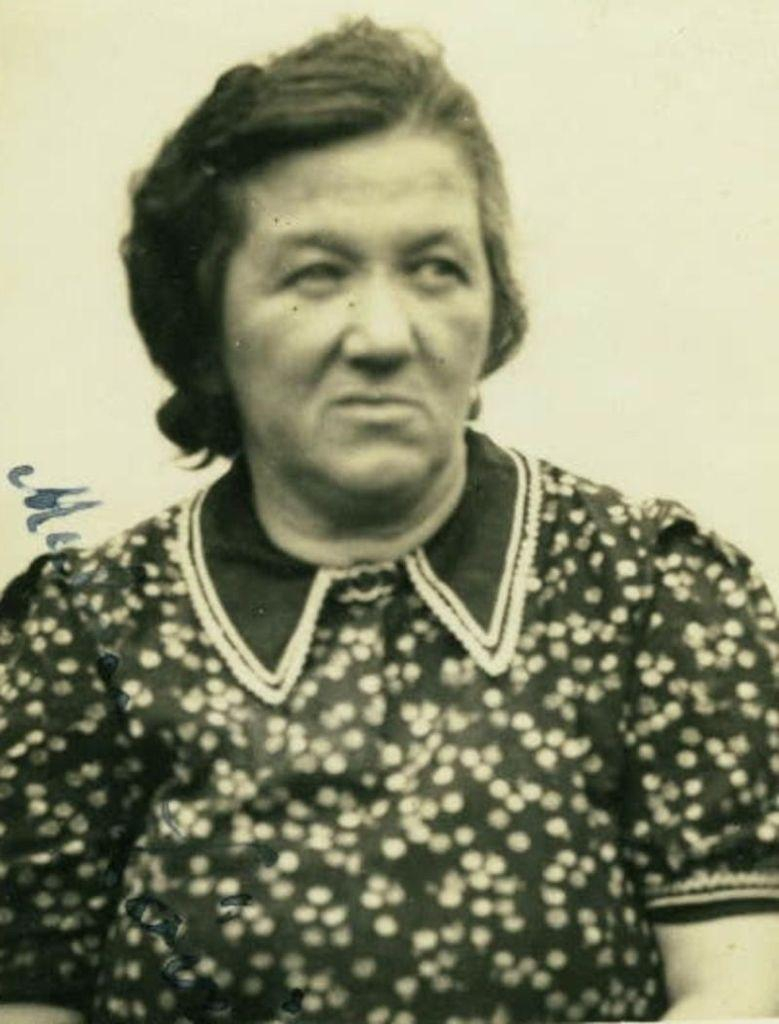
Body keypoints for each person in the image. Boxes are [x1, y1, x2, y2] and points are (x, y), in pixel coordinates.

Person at [2, 17, 779, 1024]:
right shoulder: (87, 636)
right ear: (204, 323)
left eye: (434, 268)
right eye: (315, 274)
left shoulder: (651, 591)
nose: (383, 334)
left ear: (492, 305)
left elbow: (737, 989)